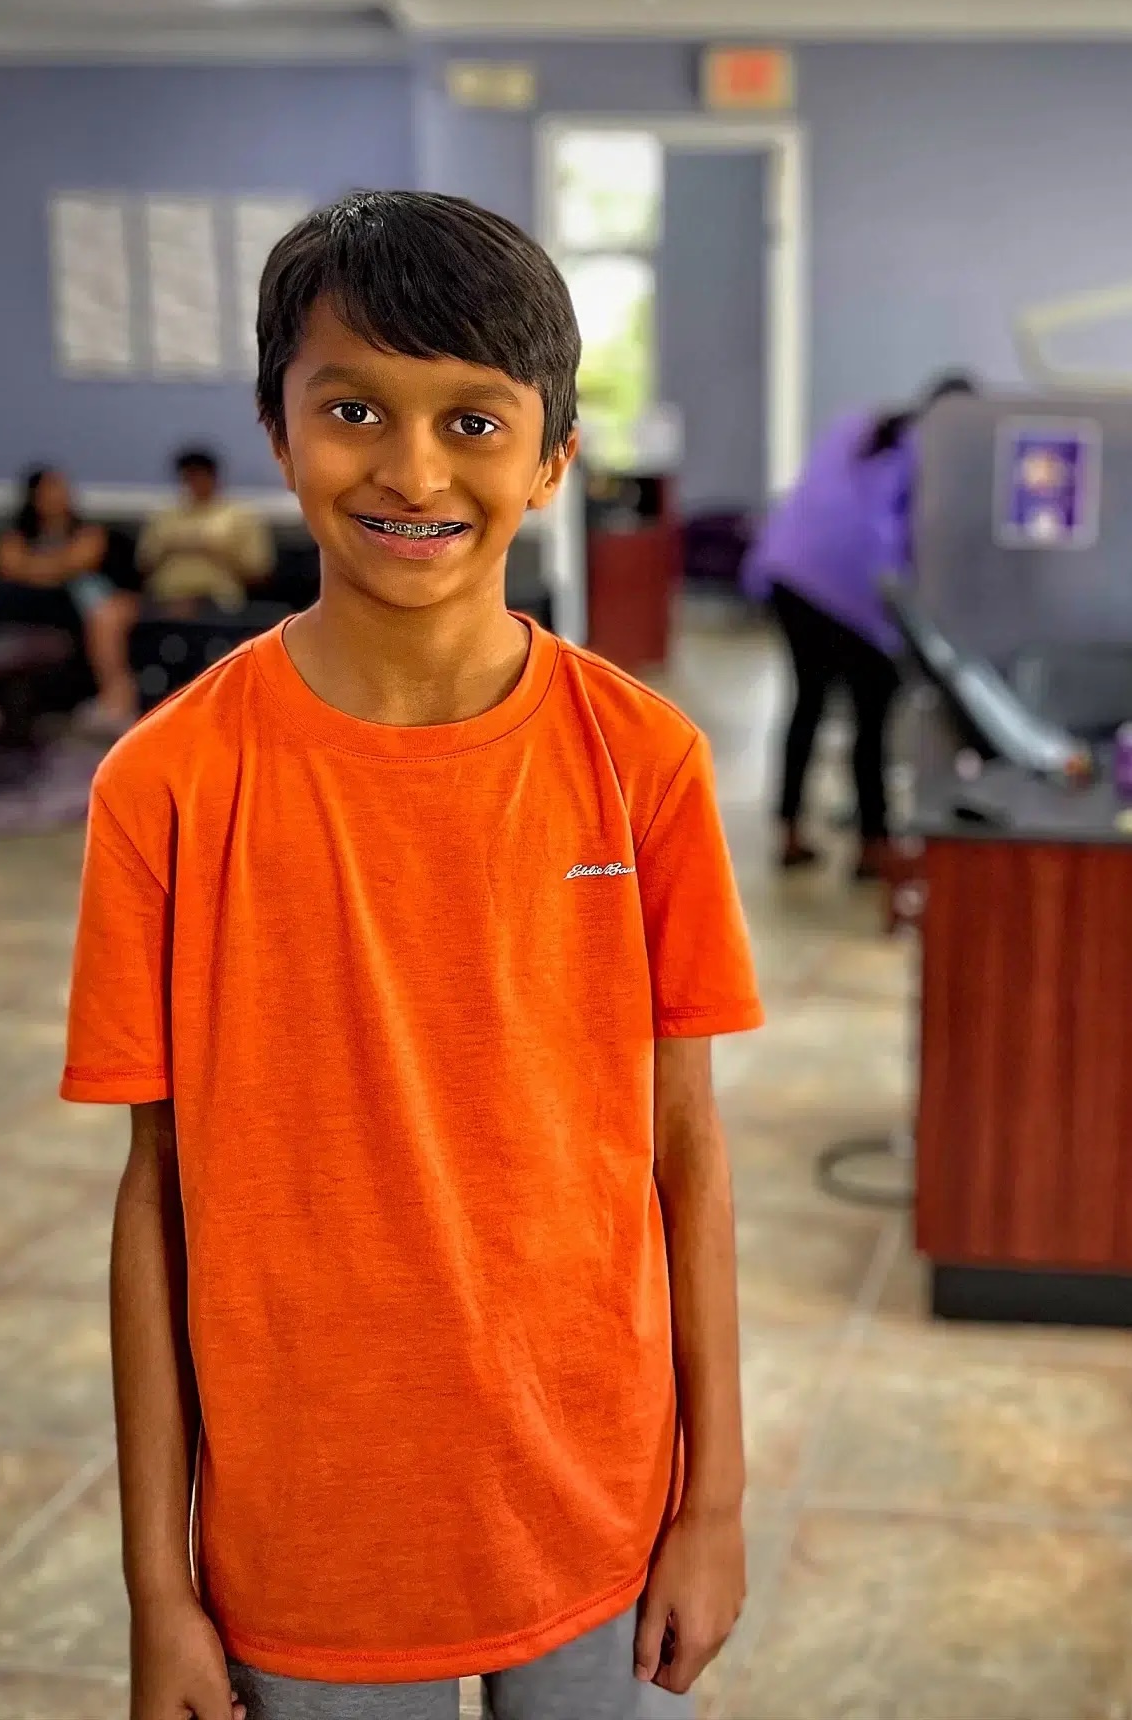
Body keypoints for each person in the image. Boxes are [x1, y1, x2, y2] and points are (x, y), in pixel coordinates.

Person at [61, 192, 764, 1720]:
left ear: (553, 459)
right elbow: (156, 1196)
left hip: (594, 1492)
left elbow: (686, 1149)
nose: (411, 467)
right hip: (307, 1527)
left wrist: (711, 1502)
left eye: (474, 420)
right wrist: (156, 1591)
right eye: (356, 408)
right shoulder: (168, 786)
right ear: (277, 426)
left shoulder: (642, 762)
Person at [742, 371, 977, 878]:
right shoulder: (935, 456)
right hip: (854, 591)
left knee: (807, 704)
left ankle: (789, 833)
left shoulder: (860, 425)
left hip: (790, 573)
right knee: (870, 721)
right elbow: (927, 545)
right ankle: (874, 846)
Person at [0, 466, 139, 730]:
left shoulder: (88, 532)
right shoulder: (16, 535)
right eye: (50, 489)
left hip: (87, 601)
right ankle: (5, 701)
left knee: (105, 616)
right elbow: (8, 564)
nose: (58, 495)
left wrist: (36, 568)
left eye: (61, 488)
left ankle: (116, 698)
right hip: (36, 604)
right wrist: (52, 569)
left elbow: (79, 561)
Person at [136, 444, 276, 616]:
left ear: (213, 477)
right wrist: (172, 547)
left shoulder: (240, 517)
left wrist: (217, 551)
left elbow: (259, 571)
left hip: (217, 600)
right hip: (163, 598)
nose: (193, 483)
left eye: (199, 476)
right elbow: (143, 565)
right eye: (188, 477)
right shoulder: (163, 518)